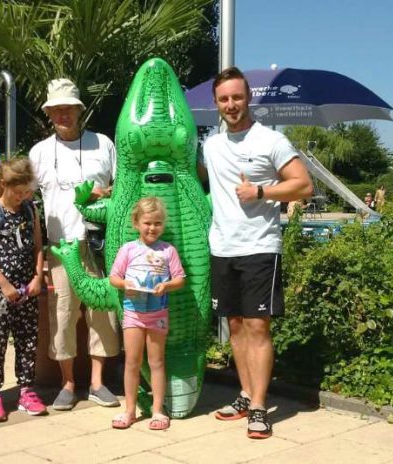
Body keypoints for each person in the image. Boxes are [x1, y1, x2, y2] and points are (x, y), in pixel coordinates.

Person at [201, 67, 313, 439]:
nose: (231, 105)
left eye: (236, 97)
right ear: (216, 104)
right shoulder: (212, 145)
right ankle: (246, 394)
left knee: (257, 326)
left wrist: (262, 192)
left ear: (248, 98)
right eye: (223, 99)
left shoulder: (270, 141)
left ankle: (261, 407)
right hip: (222, 246)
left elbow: (303, 185)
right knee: (234, 325)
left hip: (260, 247)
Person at [29, 78, 121, 411]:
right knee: (63, 314)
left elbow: (122, 190)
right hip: (59, 246)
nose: (63, 114)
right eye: (56, 109)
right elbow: (29, 202)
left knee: (102, 312)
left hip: (98, 242)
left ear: (79, 110)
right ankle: (67, 382)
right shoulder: (38, 152)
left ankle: (98, 383)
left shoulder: (103, 144)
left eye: (68, 108)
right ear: (49, 114)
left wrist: (104, 194)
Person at [0, 157, 46, 421]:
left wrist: (38, 277)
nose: (23, 197)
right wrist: (3, 285)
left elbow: (39, 245)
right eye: (18, 192)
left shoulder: (30, 210)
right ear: (4, 185)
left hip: (28, 287)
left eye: (27, 192)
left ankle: (26, 391)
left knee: (28, 340)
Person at [108, 197, 186, 430]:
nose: (152, 228)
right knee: (132, 361)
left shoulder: (168, 251)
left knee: (157, 361)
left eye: (158, 223)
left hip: (158, 313)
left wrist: (167, 286)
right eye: (147, 223)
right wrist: (125, 285)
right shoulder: (128, 249)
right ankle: (129, 410)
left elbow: (180, 279)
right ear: (136, 223)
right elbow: (114, 277)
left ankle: (158, 410)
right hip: (133, 313)